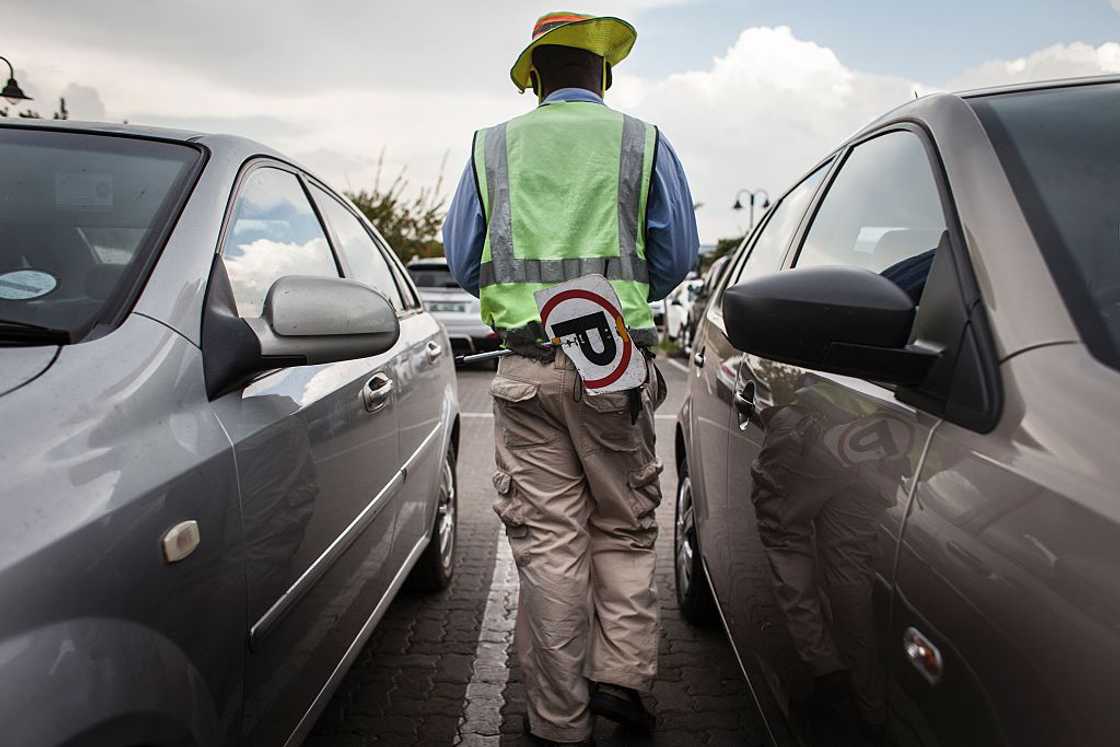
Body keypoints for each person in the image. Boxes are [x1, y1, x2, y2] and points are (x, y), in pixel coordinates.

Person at [443, 11, 699, 746]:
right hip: (613, 364)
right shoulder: (642, 141)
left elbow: (465, 259)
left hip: (524, 364)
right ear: (604, 74)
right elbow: (675, 256)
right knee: (623, 523)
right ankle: (622, 680)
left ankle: (558, 722)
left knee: (550, 541)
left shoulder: (491, 146)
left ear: (534, 81)